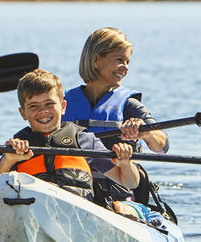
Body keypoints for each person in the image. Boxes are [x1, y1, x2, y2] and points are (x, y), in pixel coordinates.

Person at [0, 68, 140, 207]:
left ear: (63, 107)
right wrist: (8, 160)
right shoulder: (18, 146)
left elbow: (129, 182)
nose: (43, 111)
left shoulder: (84, 140)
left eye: (49, 104)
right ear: (23, 113)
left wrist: (126, 164)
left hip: (79, 214)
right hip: (33, 210)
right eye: (33, 106)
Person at [62, 27, 168, 205]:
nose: (125, 68)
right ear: (96, 59)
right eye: (120, 60)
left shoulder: (129, 105)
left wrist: (147, 133)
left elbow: (163, 145)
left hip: (118, 194)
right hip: (70, 189)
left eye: (127, 62)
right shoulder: (62, 103)